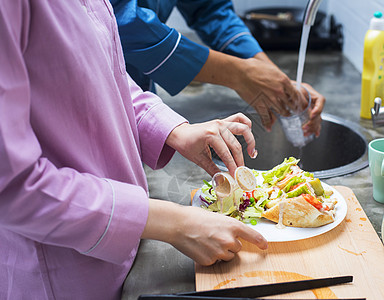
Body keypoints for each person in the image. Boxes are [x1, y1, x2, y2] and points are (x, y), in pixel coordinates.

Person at [0, 1, 267, 299]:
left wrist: (173, 130)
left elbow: (102, 70)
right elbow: (12, 187)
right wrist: (174, 223)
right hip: (59, 275)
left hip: (117, 256)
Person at [111, 0, 325, 135]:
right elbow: (121, 21)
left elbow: (209, 9)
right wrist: (239, 74)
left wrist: (274, 78)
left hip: (140, 107)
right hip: (99, 96)